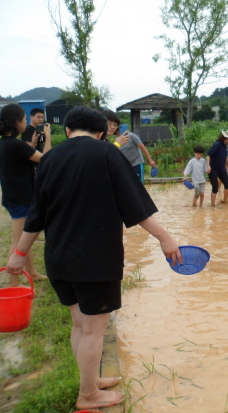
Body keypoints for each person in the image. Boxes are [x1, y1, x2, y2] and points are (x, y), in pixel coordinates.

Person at [6, 106, 182, 411]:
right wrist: (165, 237)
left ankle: (89, 382)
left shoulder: (50, 159)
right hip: (95, 259)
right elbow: (134, 204)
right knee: (92, 329)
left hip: (59, 258)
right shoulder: (106, 154)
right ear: (102, 133)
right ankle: (88, 396)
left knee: (80, 325)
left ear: (67, 130)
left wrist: (19, 253)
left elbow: (37, 214)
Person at [0, 103, 51, 287]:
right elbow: (46, 159)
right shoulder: (17, 145)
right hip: (20, 199)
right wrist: (49, 137)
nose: (24, 123)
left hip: (12, 196)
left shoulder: (5, 143)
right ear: (16, 122)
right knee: (17, 243)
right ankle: (13, 283)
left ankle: (33, 273)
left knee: (25, 237)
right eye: (23, 120)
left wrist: (32, 146)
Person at [206, 129, 228, 206]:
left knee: (227, 184)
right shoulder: (217, 144)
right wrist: (208, 166)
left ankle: (224, 201)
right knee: (215, 187)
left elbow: (225, 156)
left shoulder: (226, 145)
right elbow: (208, 155)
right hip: (213, 169)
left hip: (221, 169)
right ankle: (212, 205)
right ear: (226, 138)